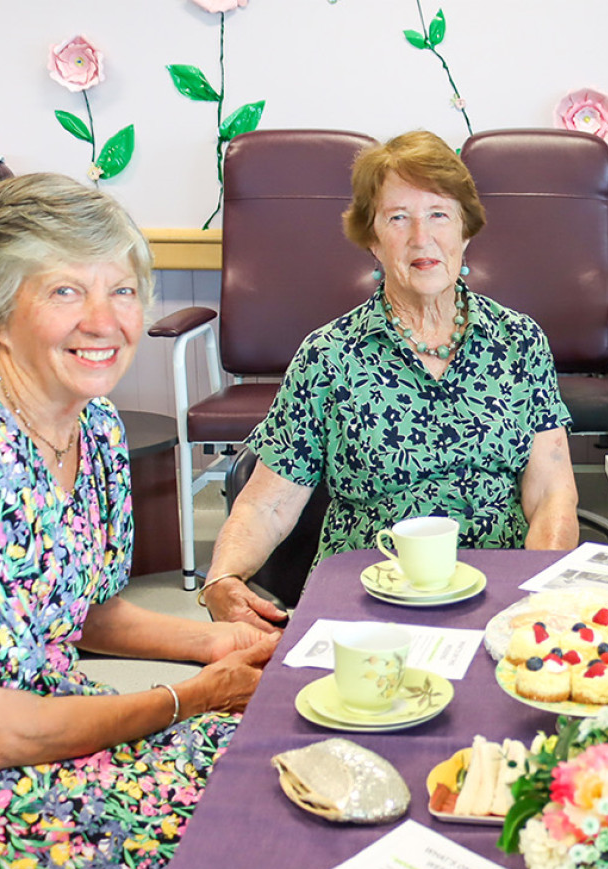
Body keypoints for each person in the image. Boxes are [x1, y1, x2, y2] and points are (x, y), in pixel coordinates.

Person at [0, 173, 277, 869]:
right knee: (239, 850)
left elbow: (83, 608)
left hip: (62, 720)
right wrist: (191, 695)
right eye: (62, 292)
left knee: (277, 763)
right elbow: (2, 730)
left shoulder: (99, 432)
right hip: (8, 772)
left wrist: (223, 641)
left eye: (121, 289)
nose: (102, 321)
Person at [204, 130, 580, 631]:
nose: (421, 237)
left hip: (499, 598)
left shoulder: (519, 341)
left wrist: (535, 596)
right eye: (398, 218)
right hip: (364, 608)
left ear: (466, 230)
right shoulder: (329, 356)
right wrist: (223, 577)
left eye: (439, 215)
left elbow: (551, 491)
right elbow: (268, 504)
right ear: (373, 239)